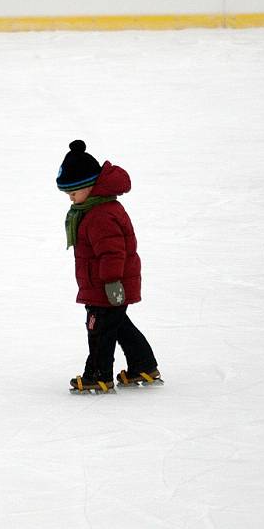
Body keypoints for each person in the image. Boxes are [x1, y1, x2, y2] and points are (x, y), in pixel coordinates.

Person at [56, 139, 161, 393]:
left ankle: (98, 374)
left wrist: (112, 282)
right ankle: (143, 365)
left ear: (90, 187)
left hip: (107, 286)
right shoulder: (93, 210)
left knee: (99, 330)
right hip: (101, 285)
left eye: (74, 192)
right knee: (119, 327)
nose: (71, 198)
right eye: (68, 193)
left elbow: (113, 252)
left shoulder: (101, 215)